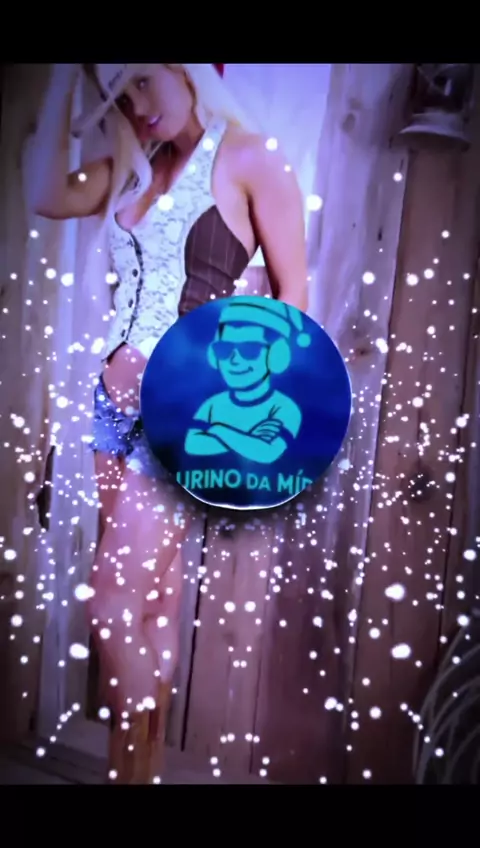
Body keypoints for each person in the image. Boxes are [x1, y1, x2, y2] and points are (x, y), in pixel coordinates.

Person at [27, 63, 309, 756]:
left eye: (144, 79)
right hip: (110, 411)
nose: (137, 103)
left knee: (110, 600)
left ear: (185, 69)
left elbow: (293, 298)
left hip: (183, 417)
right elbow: (43, 193)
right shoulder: (130, 169)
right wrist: (63, 82)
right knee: (150, 601)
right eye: (119, 93)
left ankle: (131, 768)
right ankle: (141, 767)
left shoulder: (248, 157)